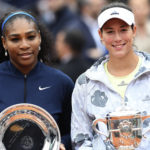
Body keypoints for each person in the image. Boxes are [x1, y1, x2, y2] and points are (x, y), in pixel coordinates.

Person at [71, 2, 150, 150]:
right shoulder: (85, 83)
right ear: (100, 35)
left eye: (123, 29)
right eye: (110, 32)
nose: (117, 38)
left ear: (134, 30)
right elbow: (80, 139)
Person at [0, 10, 74, 150]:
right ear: (4, 42)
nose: (24, 45)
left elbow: (73, 131)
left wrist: (62, 143)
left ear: (39, 38)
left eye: (30, 37)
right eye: (15, 39)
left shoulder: (62, 82)